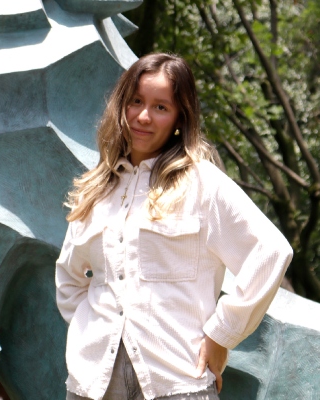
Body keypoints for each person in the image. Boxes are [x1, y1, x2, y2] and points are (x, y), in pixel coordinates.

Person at [55, 53, 293, 400]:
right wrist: (90, 333)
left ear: (180, 117)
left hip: (178, 381)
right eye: (136, 101)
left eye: (160, 107)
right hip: (92, 386)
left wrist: (221, 335)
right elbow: (69, 279)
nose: (143, 116)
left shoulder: (203, 184)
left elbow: (271, 252)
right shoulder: (98, 189)